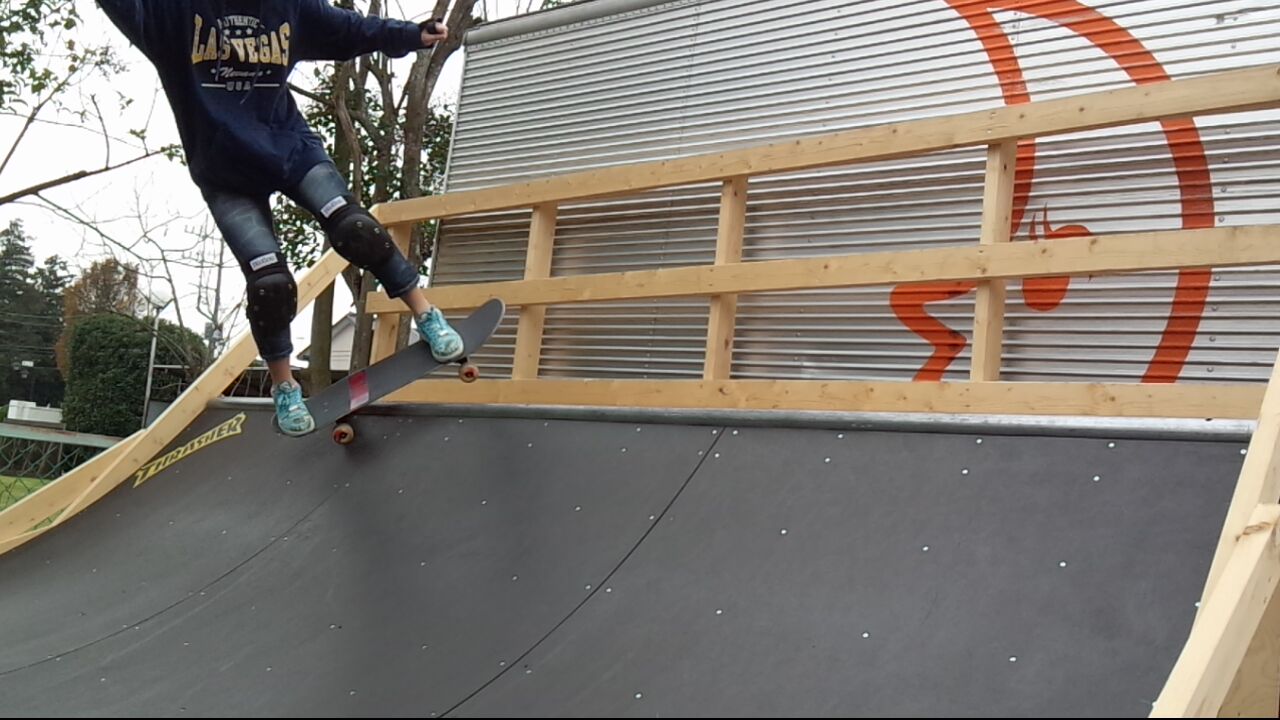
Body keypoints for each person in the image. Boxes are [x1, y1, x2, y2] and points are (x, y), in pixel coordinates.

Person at [96, 0, 463, 436]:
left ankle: (426, 315)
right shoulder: (174, 14)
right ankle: (285, 386)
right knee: (269, 284)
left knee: (355, 229)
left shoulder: (287, 7)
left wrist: (410, 34)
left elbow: (349, 30)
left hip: (290, 151)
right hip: (225, 175)